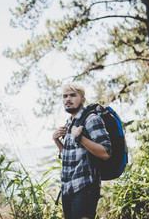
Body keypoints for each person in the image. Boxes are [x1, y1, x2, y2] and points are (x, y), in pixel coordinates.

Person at [52, 82, 112, 219]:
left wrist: (80, 138)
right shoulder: (70, 123)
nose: (68, 99)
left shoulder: (92, 119)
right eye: (65, 96)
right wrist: (57, 141)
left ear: (83, 100)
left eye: (73, 95)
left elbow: (105, 153)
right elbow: (71, 155)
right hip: (67, 189)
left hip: (85, 188)